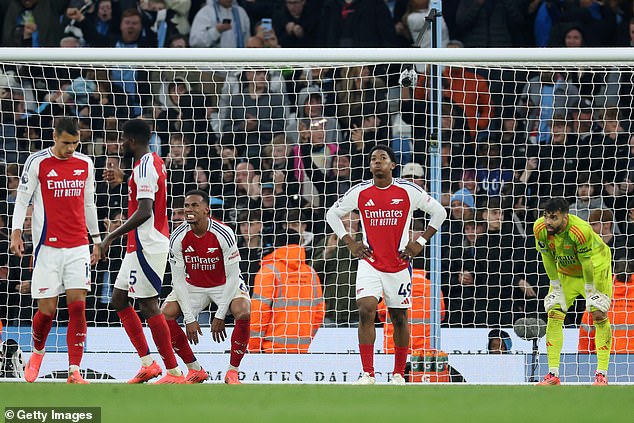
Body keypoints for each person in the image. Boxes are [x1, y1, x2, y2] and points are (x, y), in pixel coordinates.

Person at [325, 145, 447, 384]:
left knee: (399, 318)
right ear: (370, 166)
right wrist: (350, 242)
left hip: (400, 265)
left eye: (383, 158)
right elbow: (332, 214)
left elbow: (440, 212)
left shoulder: (408, 191)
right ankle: (367, 373)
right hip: (369, 262)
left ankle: (399, 373)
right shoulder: (360, 192)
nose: (377, 161)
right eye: (373, 159)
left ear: (392, 165)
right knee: (365, 310)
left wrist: (419, 242)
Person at [10, 117, 101, 384]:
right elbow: (22, 199)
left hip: (77, 247)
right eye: (65, 143)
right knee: (47, 311)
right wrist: (16, 231)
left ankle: (75, 369)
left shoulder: (85, 164)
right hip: (47, 248)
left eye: (75, 143)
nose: (70, 148)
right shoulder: (37, 162)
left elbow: (89, 204)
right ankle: (38, 352)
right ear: (54, 137)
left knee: (78, 307)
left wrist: (96, 239)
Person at [99, 119, 184, 384]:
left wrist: (110, 236)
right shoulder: (147, 163)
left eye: (122, 140)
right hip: (138, 244)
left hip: (148, 242)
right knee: (119, 300)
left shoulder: (145, 167)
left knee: (148, 305)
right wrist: (125, 178)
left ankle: (173, 371)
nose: (120, 144)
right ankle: (148, 363)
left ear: (132, 141)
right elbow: (146, 192)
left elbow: (145, 210)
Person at [163, 190, 251, 384]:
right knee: (164, 315)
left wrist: (220, 315)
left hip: (225, 284)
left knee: (243, 311)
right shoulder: (177, 236)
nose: (189, 210)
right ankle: (194, 369)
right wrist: (188, 318)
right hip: (193, 285)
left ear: (206, 210)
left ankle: (232, 371)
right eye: (186, 206)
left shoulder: (224, 233)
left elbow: (233, 276)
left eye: (194, 205)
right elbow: (177, 280)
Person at [534, 198, 613, 386]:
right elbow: (547, 257)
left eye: (554, 218)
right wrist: (556, 286)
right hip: (565, 271)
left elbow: (586, 263)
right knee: (553, 313)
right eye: (546, 217)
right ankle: (552, 374)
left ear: (565, 216)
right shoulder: (540, 228)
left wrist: (590, 290)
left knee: (599, 315)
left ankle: (601, 374)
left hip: (595, 269)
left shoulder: (581, 230)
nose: (548, 222)